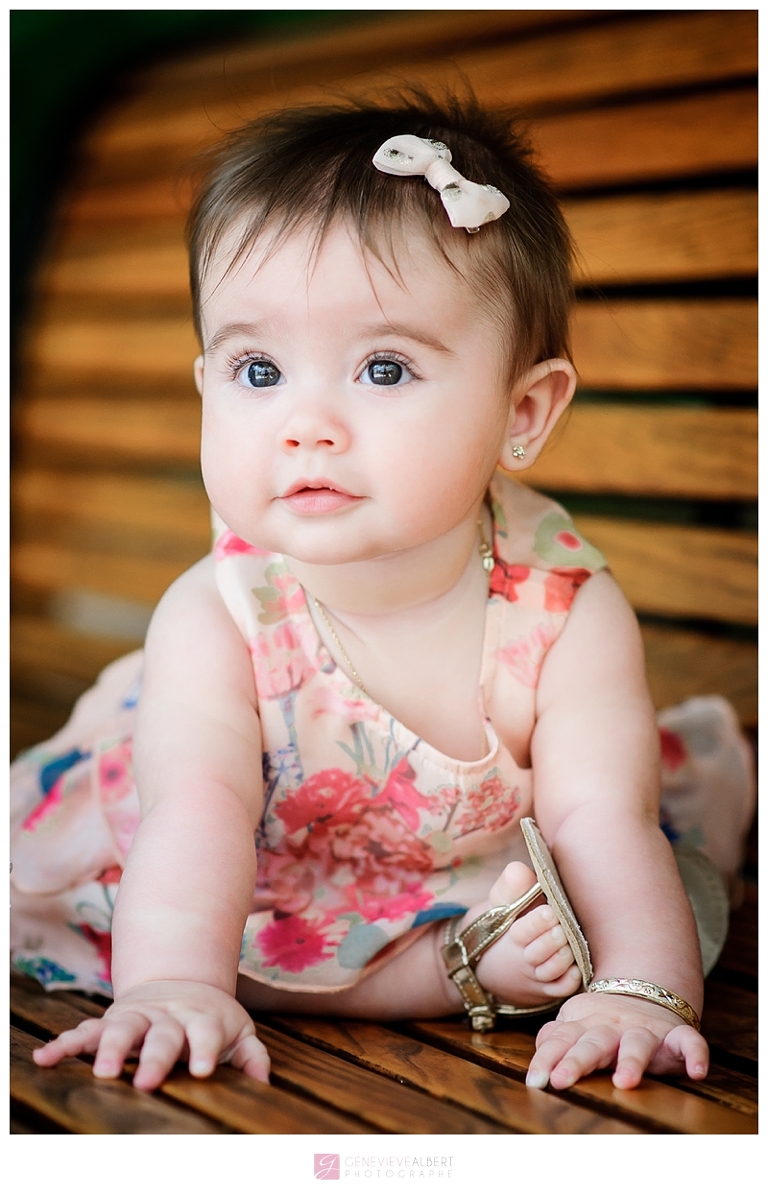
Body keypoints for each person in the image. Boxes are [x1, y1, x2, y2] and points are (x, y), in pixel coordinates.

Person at [11, 94, 755, 1096]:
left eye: (386, 366)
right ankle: (449, 972)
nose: (306, 422)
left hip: (477, 861)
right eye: (259, 368)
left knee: (619, 911)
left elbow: (601, 818)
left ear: (521, 412)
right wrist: (174, 986)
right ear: (206, 385)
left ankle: (475, 957)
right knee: (196, 948)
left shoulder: (565, 610)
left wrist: (641, 992)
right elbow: (198, 810)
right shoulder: (217, 616)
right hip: (248, 873)